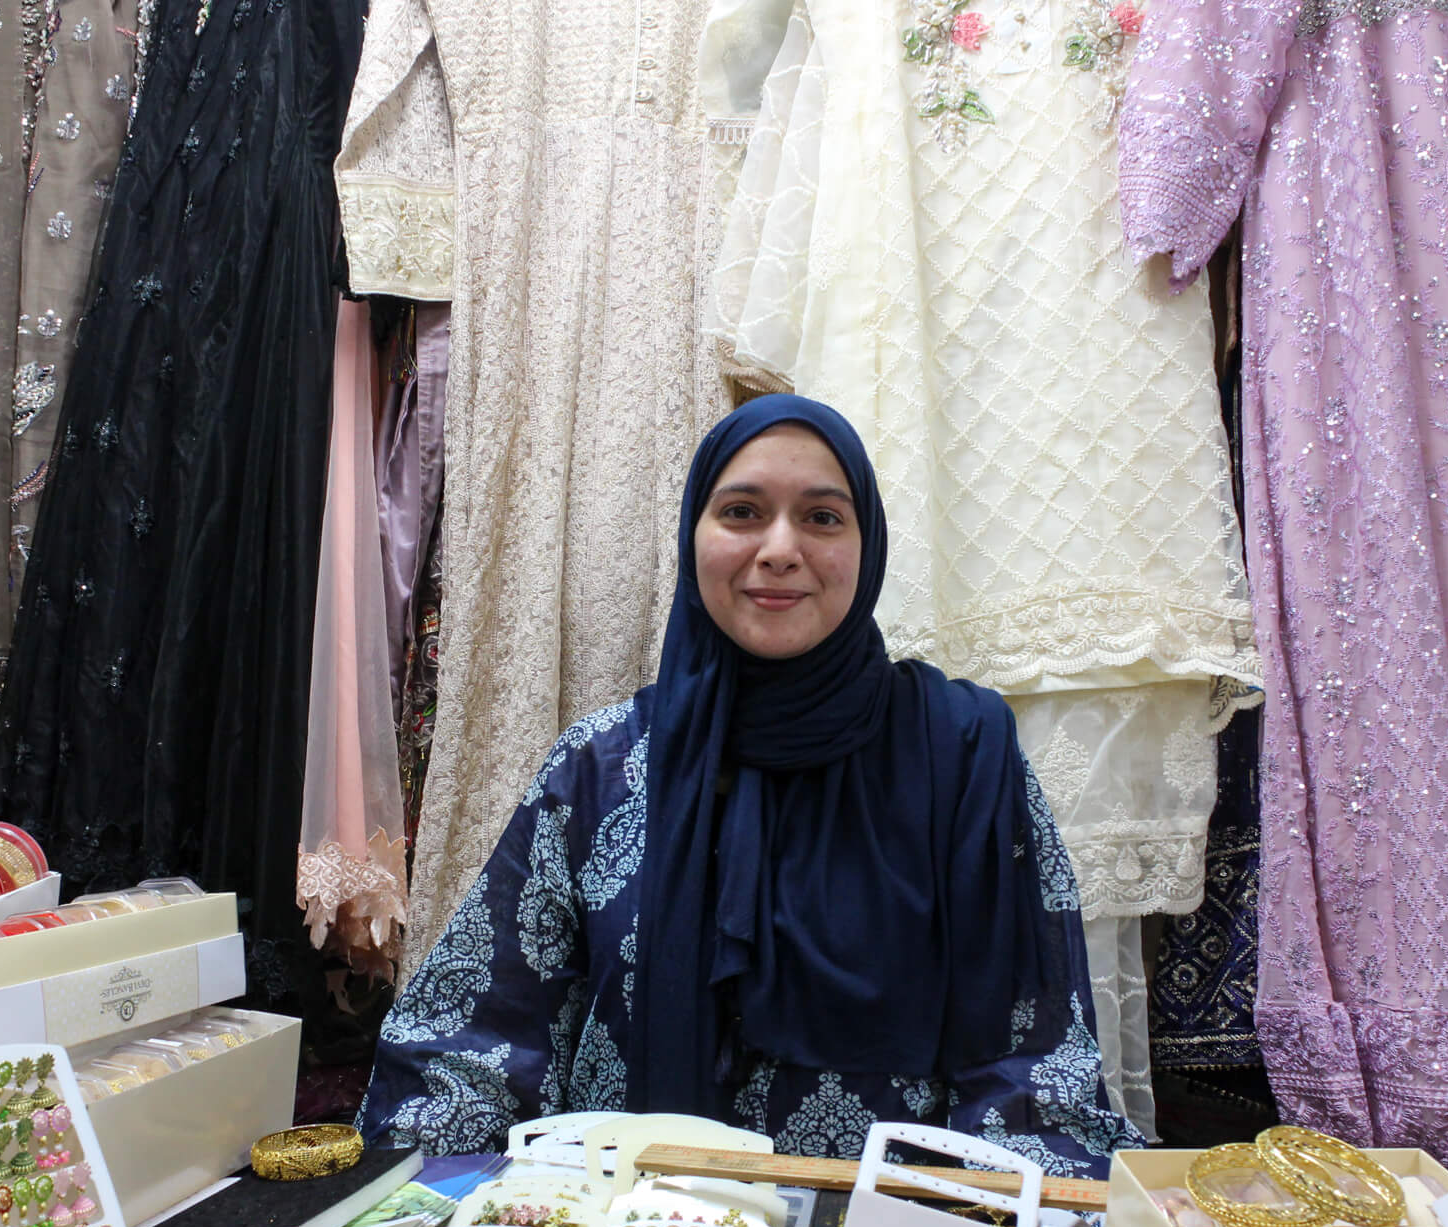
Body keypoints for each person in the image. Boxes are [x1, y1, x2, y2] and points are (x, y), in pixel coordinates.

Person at [357, 396, 1136, 1175]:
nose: (780, 549)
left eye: (824, 518)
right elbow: (472, 1041)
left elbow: (1032, 1061)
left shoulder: (962, 752)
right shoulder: (602, 768)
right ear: (693, 536)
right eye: (742, 512)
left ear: (869, 548)